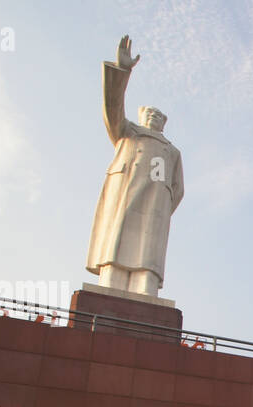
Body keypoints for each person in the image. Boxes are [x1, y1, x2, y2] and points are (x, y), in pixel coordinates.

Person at [86, 35, 185, 296]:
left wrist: (161, 206)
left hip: (154, 209)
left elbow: (178, 189)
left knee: (146, 261)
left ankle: (145, 291)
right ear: (142, 117)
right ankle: (110, 287)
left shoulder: (171, 151)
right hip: (124, 197)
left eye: (158, 116)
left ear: (163, 123)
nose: (153, 117)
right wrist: (122, 72)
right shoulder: (127, 133)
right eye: (149, 113)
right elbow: (112, 108)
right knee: (116, 251)